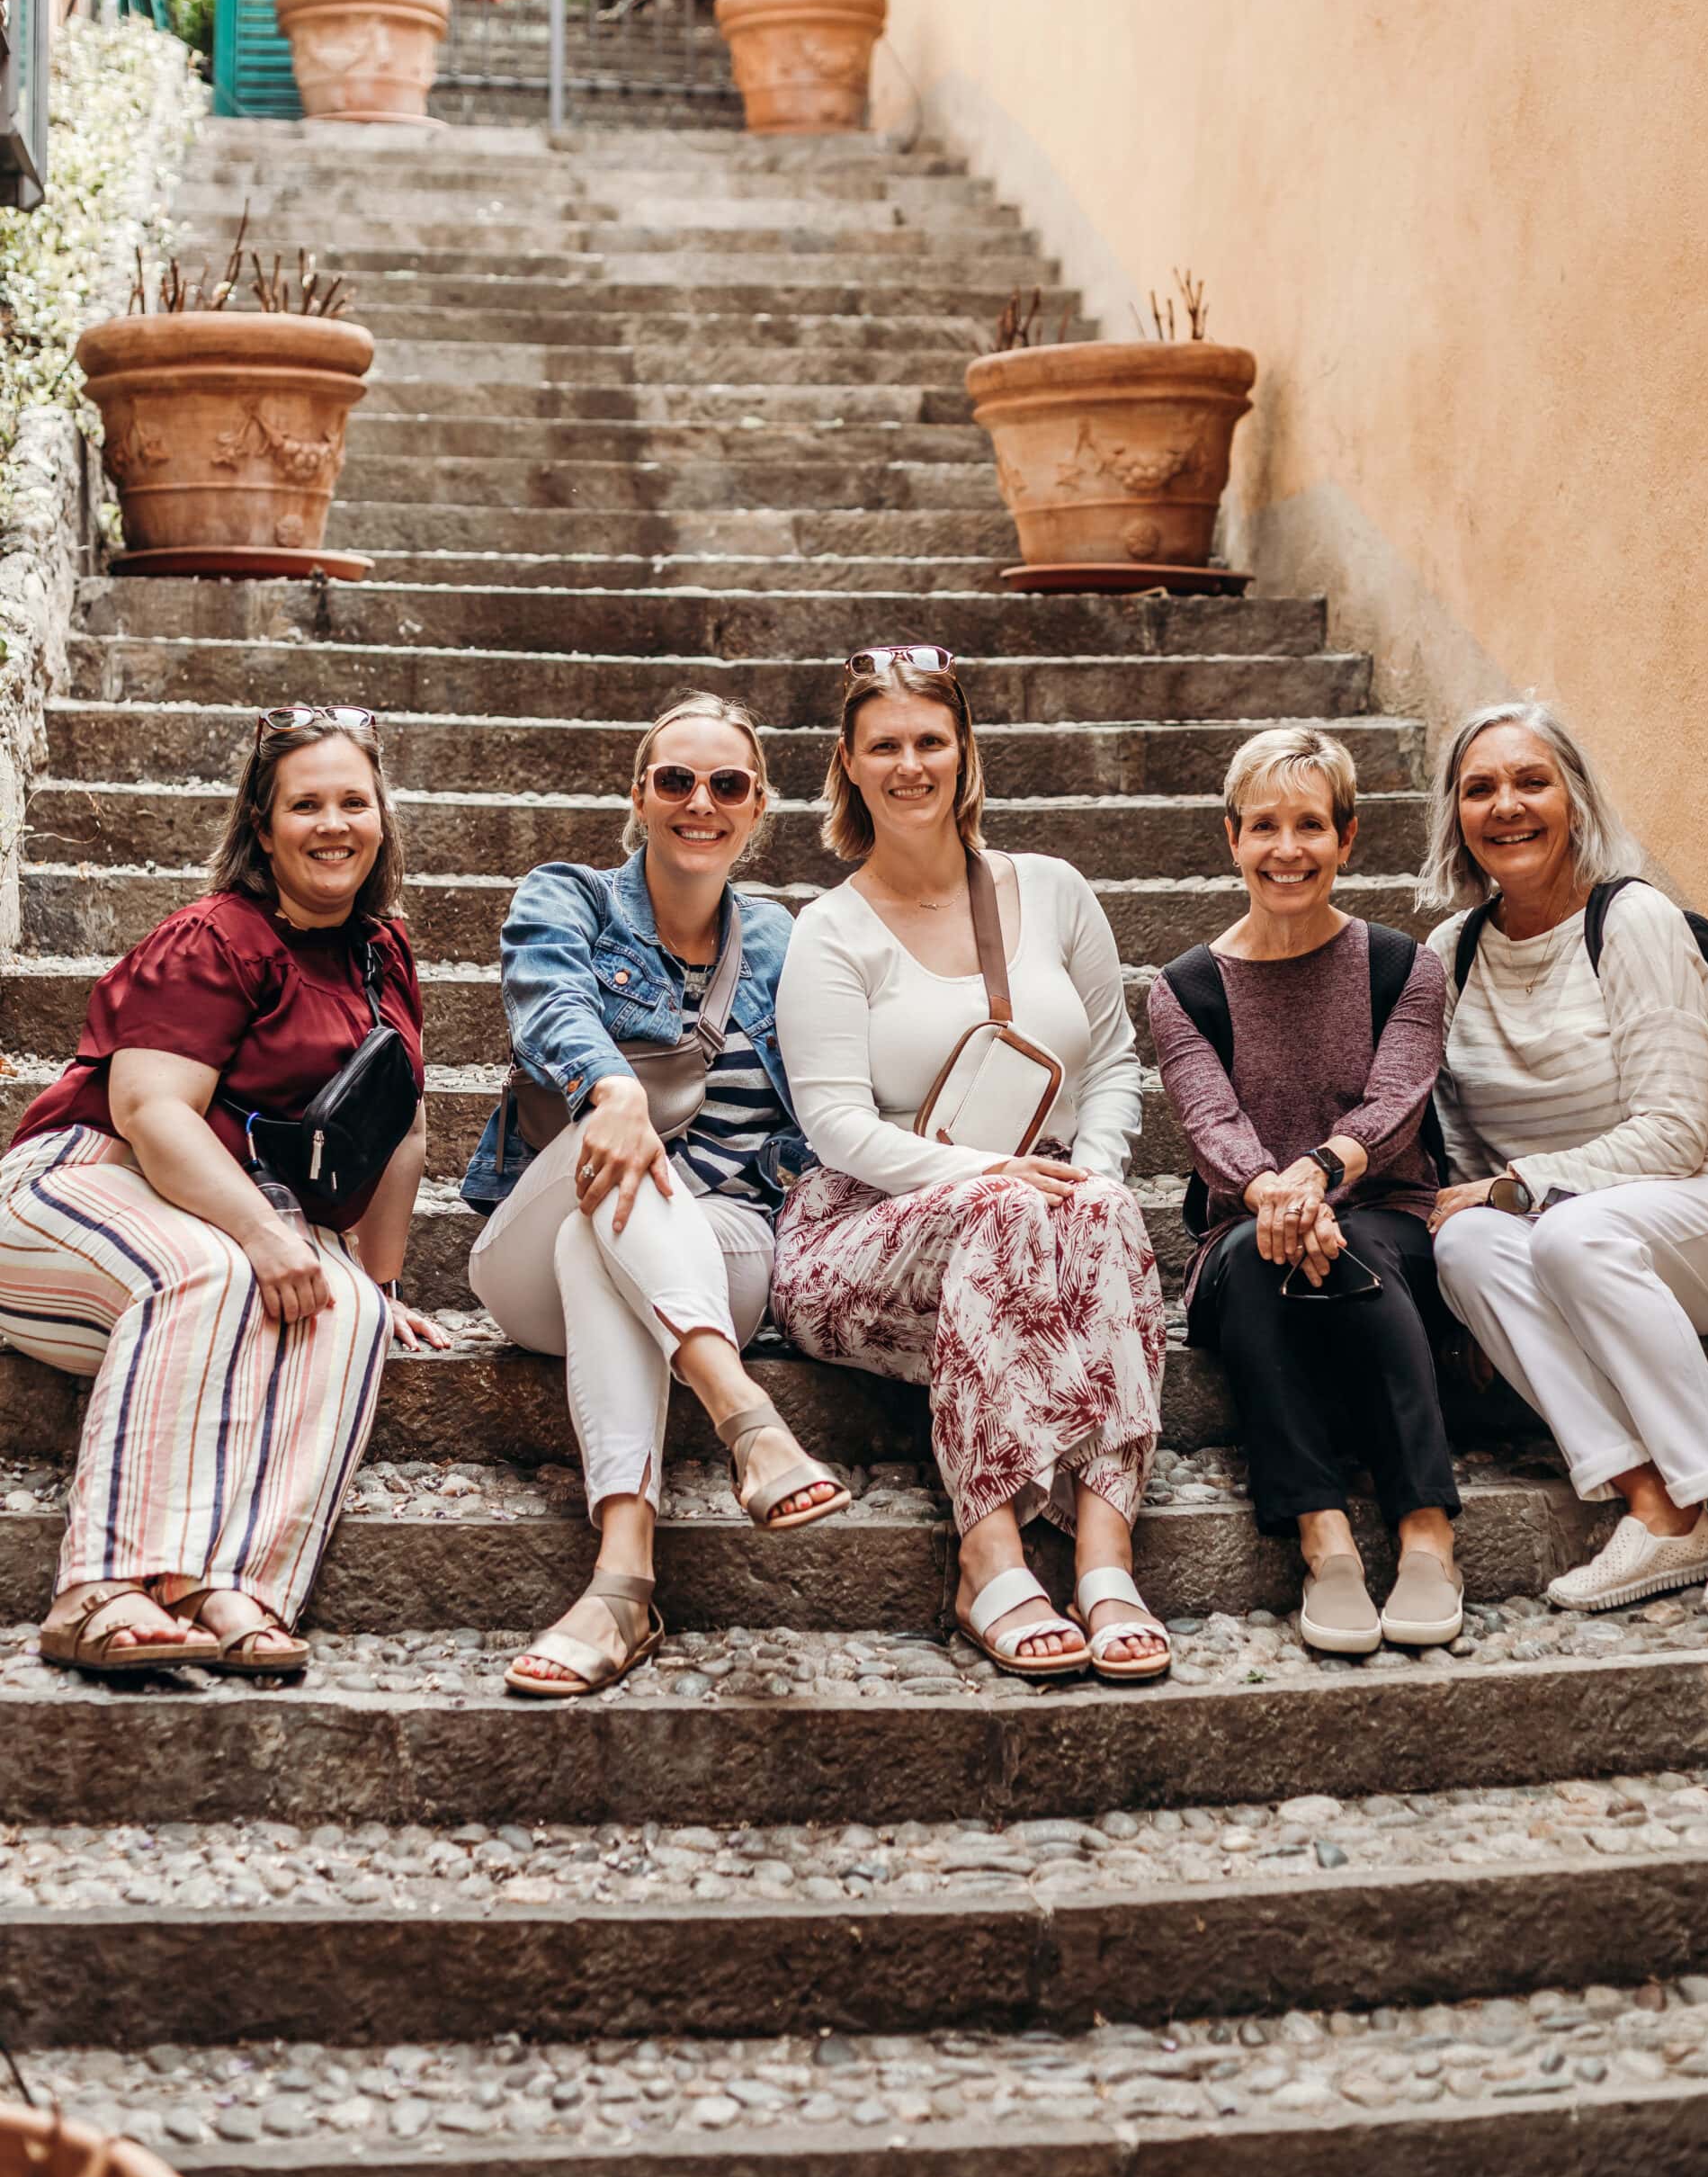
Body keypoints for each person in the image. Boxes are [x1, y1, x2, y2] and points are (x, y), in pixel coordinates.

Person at [0, 705, 444, 1680]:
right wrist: (259, 1233)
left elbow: (399, 1125)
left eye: (353, 802)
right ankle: (101, 1586)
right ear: (262, 823)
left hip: (241, 1208)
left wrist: (384, 1284)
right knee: (205, 1269)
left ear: (382, 821)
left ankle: (235, 1584)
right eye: (306, 804)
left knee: (349, 1317)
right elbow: (152, 1113)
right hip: (84, 1183)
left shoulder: (383, 954)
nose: (333, 824)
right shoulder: (214, 937)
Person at [772, 645, 1168, 1682]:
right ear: (848, 767)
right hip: (860, 1235)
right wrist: (984, 1178)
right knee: (1010, 1212)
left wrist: (1094, 1169)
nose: (910, 765)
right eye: (884, 747)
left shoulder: (1051, 891)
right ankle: (984, 1554)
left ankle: (1102, 1554)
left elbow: (1116, 1060)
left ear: (964, 752)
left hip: (1039, 1208)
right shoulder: (830, 932)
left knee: (1105, 1213)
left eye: (929, 742)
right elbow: (832, 1126)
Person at [464, 693, 849, 1701]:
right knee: (612, 1161)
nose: (699, 802)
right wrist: (617, 1090)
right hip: (533, 1243)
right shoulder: (569, 900)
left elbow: (826, 1104)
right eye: (675, 779)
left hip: (719, 1246)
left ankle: (621, 1584)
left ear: (758, 807)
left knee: (613, 1226)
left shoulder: (784, 940)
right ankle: (746, 1419)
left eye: (726, 784)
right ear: (639, 793)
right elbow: (548, 1001)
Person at [1424, 701, 1708, 1615]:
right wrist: (1493, 1208)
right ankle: (1656, 1512)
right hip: (1578, 1229)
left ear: (1574, 800)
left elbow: (1673, 1136)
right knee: (1461, 1247)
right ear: (1455, 819)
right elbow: (1465, 1155)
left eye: (1529, 782)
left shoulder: (1631, 920)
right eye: (1479, 789)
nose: (1505, 806)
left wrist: (1513, 1189)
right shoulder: (1450, 954)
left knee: (1562, 1232)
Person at [1149, 725, 1461, 1654]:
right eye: (1264, 827)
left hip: (1381, 1215)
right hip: (1242, 1233)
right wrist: (1276, 1198)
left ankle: (1424, 1532)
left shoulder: (1404, 967)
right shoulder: (1184, 988)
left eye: (1311, 827)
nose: (1287, 851)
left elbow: (1396, 1103)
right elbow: (1211, 1128)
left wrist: (1315, 1181)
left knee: (1357, 1245)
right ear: (1230, 838)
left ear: (1347, 838)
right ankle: (1321, 1536)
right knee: (1252, 1259)